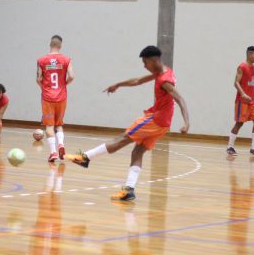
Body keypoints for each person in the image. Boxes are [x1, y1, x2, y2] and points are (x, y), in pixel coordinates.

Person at [66, 46, 189, 202]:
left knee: (122, 139)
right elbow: (138, 80)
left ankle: (85, 157)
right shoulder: (163, 71)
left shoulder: (164, 79)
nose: (144, 66)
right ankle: (129, 190)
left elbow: (180, 99)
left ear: (153, 60)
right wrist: (118, 84)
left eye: (145, 62)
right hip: (164, 124)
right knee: (137, 152)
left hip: (155, 120)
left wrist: (186, 122)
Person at [37, 35, 75, 162]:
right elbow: (72, 76)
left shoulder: (41, 60)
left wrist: (44, 88)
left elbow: (38, 79)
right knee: (59, 124)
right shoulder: (66, 59)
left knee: (49, 126)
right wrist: (64, 84)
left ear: (50, 44)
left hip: (47, 97)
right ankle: (61, 145)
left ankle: (53, 152)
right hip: (61, 97)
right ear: (60, 45)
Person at [227, 46, 254, 156]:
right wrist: (243, 94)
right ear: (249, 54)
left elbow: (251, 83)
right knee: (239, 123)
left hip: (252, 101)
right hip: (241, 101)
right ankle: (230, 147)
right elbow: (236, 82)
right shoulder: (242, 67)